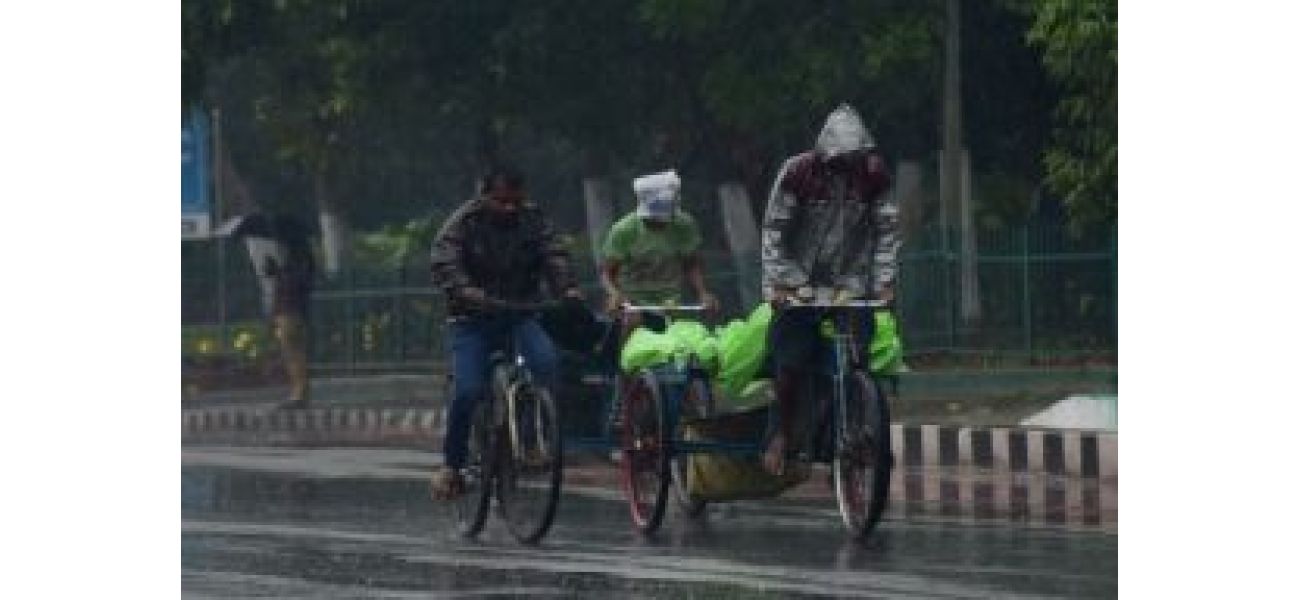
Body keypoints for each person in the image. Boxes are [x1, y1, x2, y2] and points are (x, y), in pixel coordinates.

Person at [428, 164, 584, 498]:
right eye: (501, 202)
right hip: (471, 320)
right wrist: (468, 292)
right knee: (468, 391)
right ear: (483, 197)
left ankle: (529, 440)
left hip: (521, 313)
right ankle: (452, 465)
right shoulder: (462, 225)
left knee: (547, 365)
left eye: (516, 201)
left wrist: (566, 288)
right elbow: (446, 264)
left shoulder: (533, 219)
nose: (510, 209)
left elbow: (554, 254)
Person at [759, 104, 899, 475]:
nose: (847, 166)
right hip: (798, 284)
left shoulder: (874, 176)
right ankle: (782, 434)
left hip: (851, 282)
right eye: (842, 159)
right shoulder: (797, 173)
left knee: (857, 360)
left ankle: (851, 433)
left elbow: (886, 231)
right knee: (789, 363)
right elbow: (774, 232)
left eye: (854, 158)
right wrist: (779, 285)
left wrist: (884, 283)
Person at [599, 169, 718, 331]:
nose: (660, 224)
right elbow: (606, 272)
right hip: (633, 303)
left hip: (671, 303)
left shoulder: (684, 225)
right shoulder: (624, 230)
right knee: (631, 333)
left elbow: (691, 264)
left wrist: (703, 293)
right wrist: (615, 294)